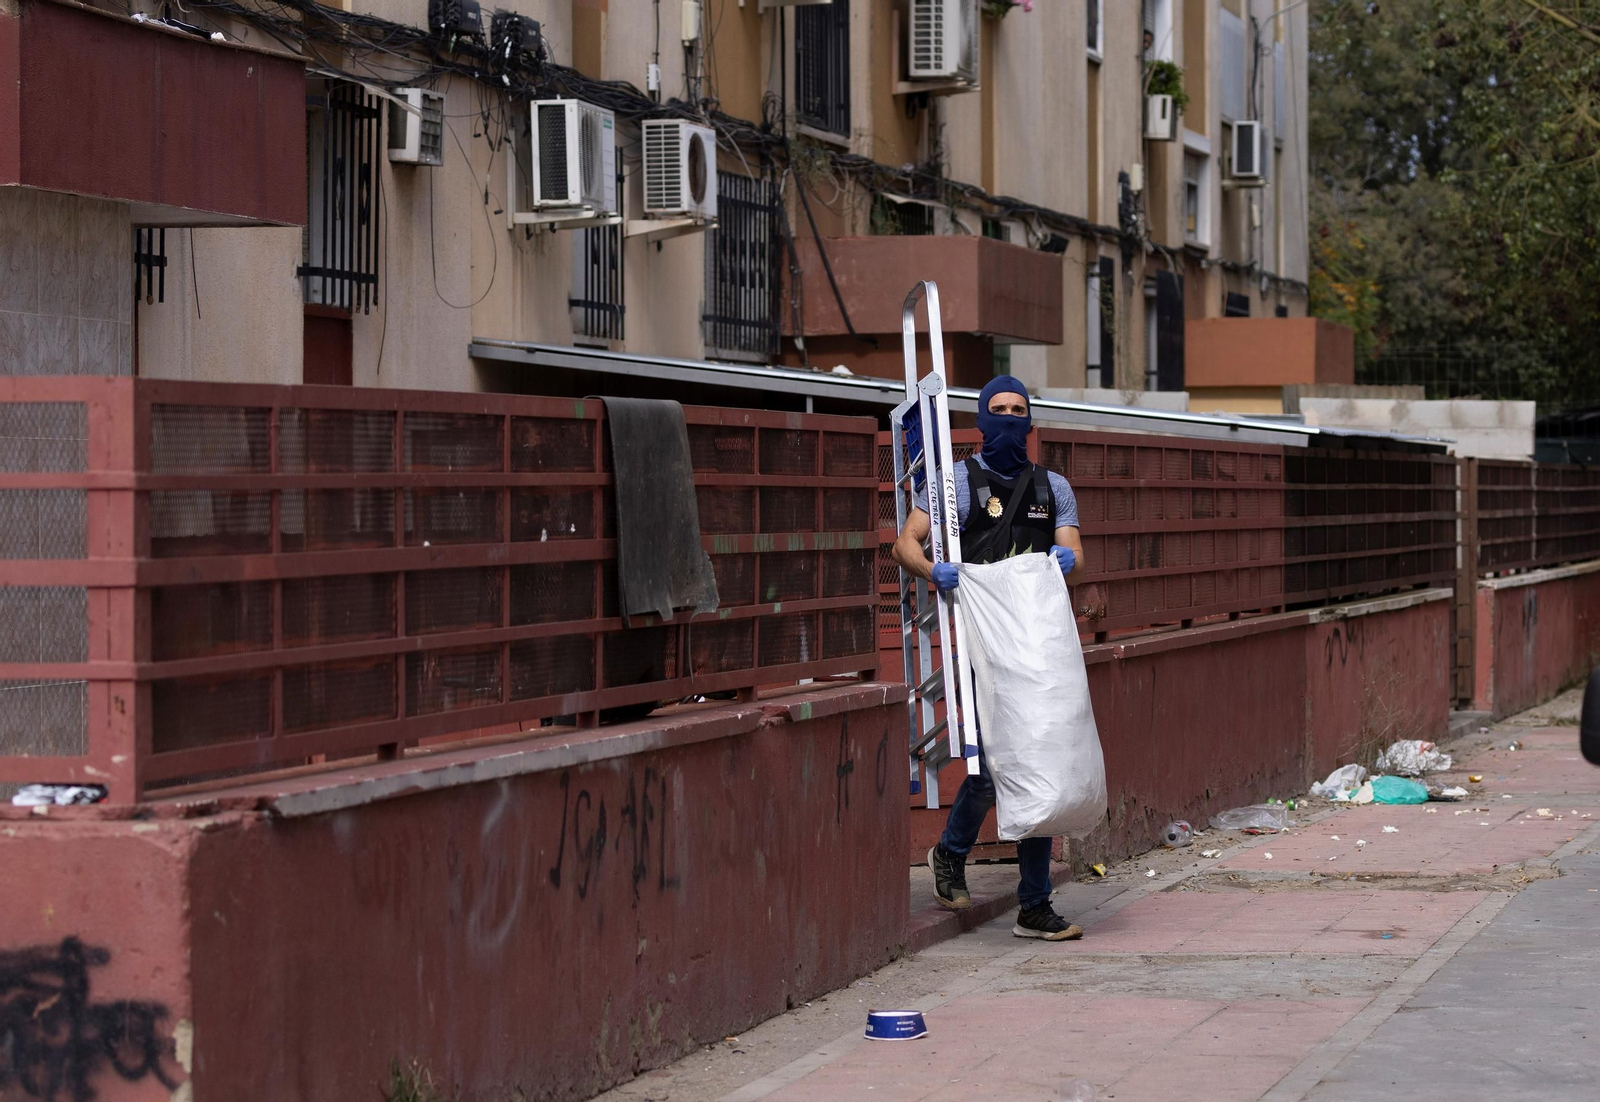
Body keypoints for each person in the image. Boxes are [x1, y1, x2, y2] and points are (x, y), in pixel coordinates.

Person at [892, 375, 1088, 941]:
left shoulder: (1053, 487)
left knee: (1037, 766)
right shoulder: (956, 481)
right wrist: (933, 570)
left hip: (1037, 643)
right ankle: (949, 854)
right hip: (978, 637)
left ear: (1030, 420)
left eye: (1017, 410)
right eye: (997, 409)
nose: (1007, 417)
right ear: (981, 420)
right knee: (987, 768)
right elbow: (904, 543)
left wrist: (1066, 558)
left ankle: (1034, 904)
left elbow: (1075, 547)